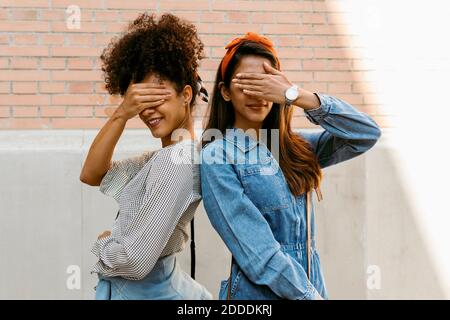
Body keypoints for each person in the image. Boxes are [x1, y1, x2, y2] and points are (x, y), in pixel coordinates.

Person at [200, 32, 381, 300]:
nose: (257, 94)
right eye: (246, 83)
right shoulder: (218, 156)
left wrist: (295, 95)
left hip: (312, 287)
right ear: (225, 92)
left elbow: (365, 134)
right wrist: (309, 296)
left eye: (266, 83)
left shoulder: (295, 148)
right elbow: (258, 254)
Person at [80, 13, 211, 300]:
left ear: (186, 95)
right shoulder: (163, 157)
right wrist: (121, 113)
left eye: (158, 98)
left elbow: (135, 262)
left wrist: (104, 244)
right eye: (140, 102)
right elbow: (92, 174)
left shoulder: (174, 161)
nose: (147, 111)